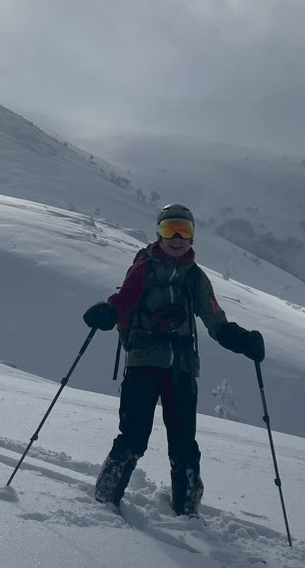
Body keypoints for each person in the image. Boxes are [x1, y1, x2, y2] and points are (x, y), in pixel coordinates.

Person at [82, 203, 265, 517]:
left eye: (184, 230)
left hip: (180, 369)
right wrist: (108, 311)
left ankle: (187, 509)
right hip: (142, 362)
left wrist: (240, 339)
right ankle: (106, 499)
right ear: (159, 233)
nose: (177, 237)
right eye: (170, 229)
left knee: (183, 442)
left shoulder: (195, 278)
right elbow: (124, 300)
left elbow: (214, 319)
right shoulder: (144, 267)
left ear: (193, 237)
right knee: (134, 435)